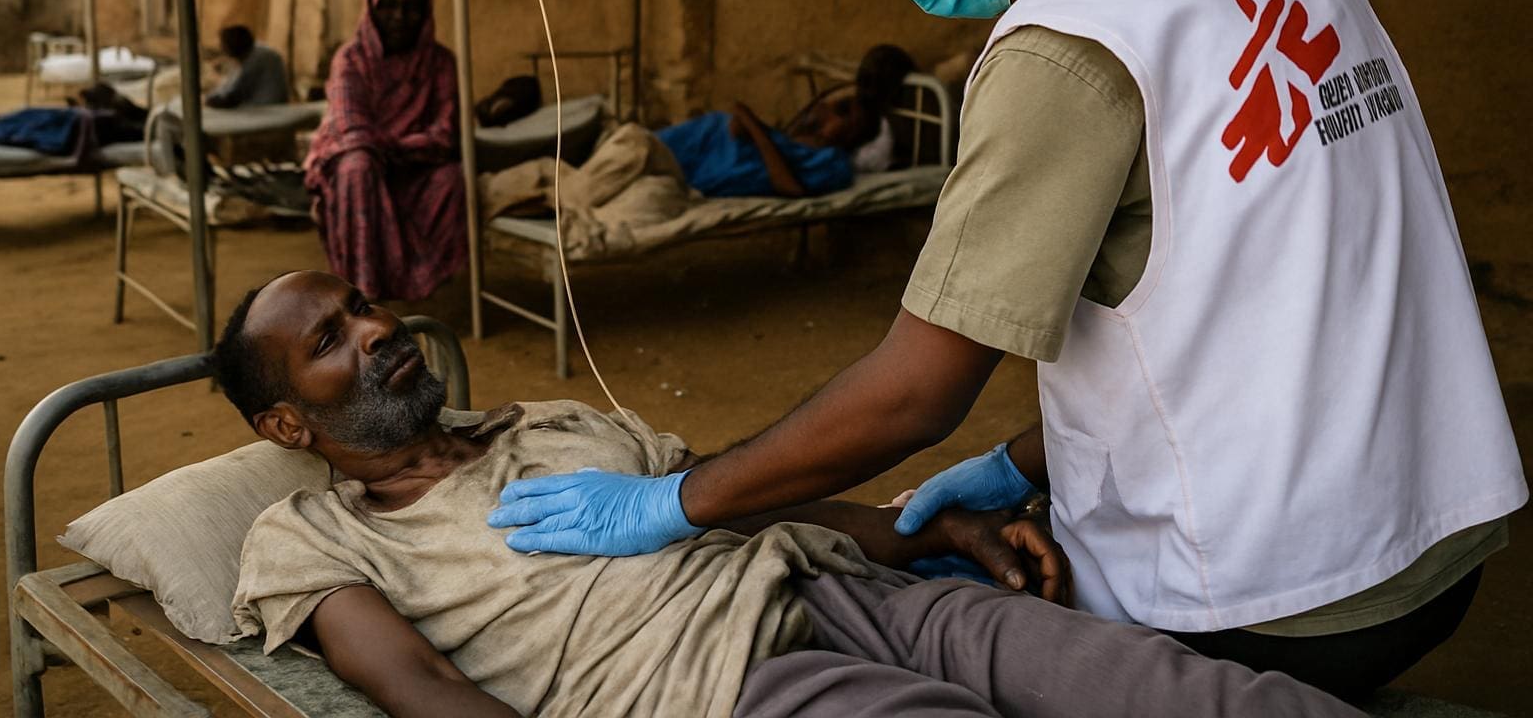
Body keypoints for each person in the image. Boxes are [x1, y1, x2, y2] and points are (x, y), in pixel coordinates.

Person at [493, 0, 1527, 702]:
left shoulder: (1070, 35)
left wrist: (674, 499)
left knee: (885, 624)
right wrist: (1021, 460)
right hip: (1445, 533)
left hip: (1277, 597)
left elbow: (915, 393)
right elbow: (1249, 298)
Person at [217, 270, 1359, 718]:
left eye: (364, 305)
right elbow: (412, 685)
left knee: (1176, 689)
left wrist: (920, 529)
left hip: (854, 592)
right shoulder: (312, 537)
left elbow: (724, 498)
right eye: (332, 338)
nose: (377, 329)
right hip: (724, 688)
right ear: (285, 423)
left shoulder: (555, 420)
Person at [303, 0, 467, 301]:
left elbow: (445, 133)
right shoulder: (351, 59)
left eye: (411, 8)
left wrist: (395, 147)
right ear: (373, 9)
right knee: (358, 167)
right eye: (389, 6)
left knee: (453, 177)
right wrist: (388, 148)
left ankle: (414, 282)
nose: (400, 17)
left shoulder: (440, 62)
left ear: (425, 13)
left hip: (413, 164)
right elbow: (351, 125)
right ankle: (362, 291)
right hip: (358, 157)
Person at [657, 44, 915, 198]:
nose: (828, 108)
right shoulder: (797, 140)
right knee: (638, 146)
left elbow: (791, 189)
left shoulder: (833, 163)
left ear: (854, 133)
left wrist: (751, 124)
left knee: (637, 154)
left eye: (843, 110)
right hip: (708, 139)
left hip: (711, 159)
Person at [206, 24, 289, 108]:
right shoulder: (247, 56)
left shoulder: (258, 58)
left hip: (268, 109)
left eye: (224, 43)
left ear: (235, 43)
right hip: (260, 107)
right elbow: (226, 88)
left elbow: (234, 96)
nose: (221, 47)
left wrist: (212, 101)